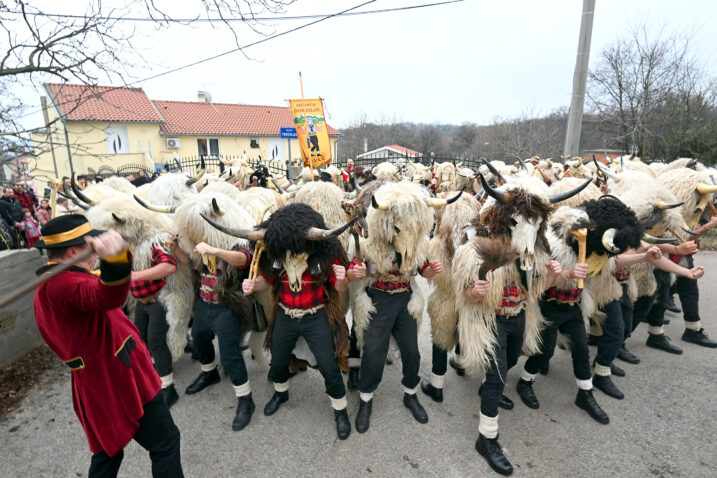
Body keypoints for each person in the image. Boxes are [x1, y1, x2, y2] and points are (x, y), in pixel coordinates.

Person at [33, 215, 183, 478]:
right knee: (165, 443)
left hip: (98, 381)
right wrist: (115, 261)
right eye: (90, 250)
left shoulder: (57, 281)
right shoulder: (65, 284)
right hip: (121, 379)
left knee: (108, 452)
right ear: (73, 252)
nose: (95, 256)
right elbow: (107, 295)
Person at [241, 203, 354, 440]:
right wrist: (253, 284)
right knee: (279, 360)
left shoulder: (323, 255)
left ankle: (340, 409)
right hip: (285, 314)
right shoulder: (277, 254)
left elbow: (338, 287)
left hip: (316, 315)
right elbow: (267, 280)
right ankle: (281, 393)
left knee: (328, 365)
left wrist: (343, 279)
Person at [130, 236, 180, 408]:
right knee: (140, 339)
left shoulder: (152, 243)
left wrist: (135, 276)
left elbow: (169, 265)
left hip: (158, 300)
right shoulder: (126, 247)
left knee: (156, 342)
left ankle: (169, 389)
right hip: (141, 302)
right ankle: (154, 377)